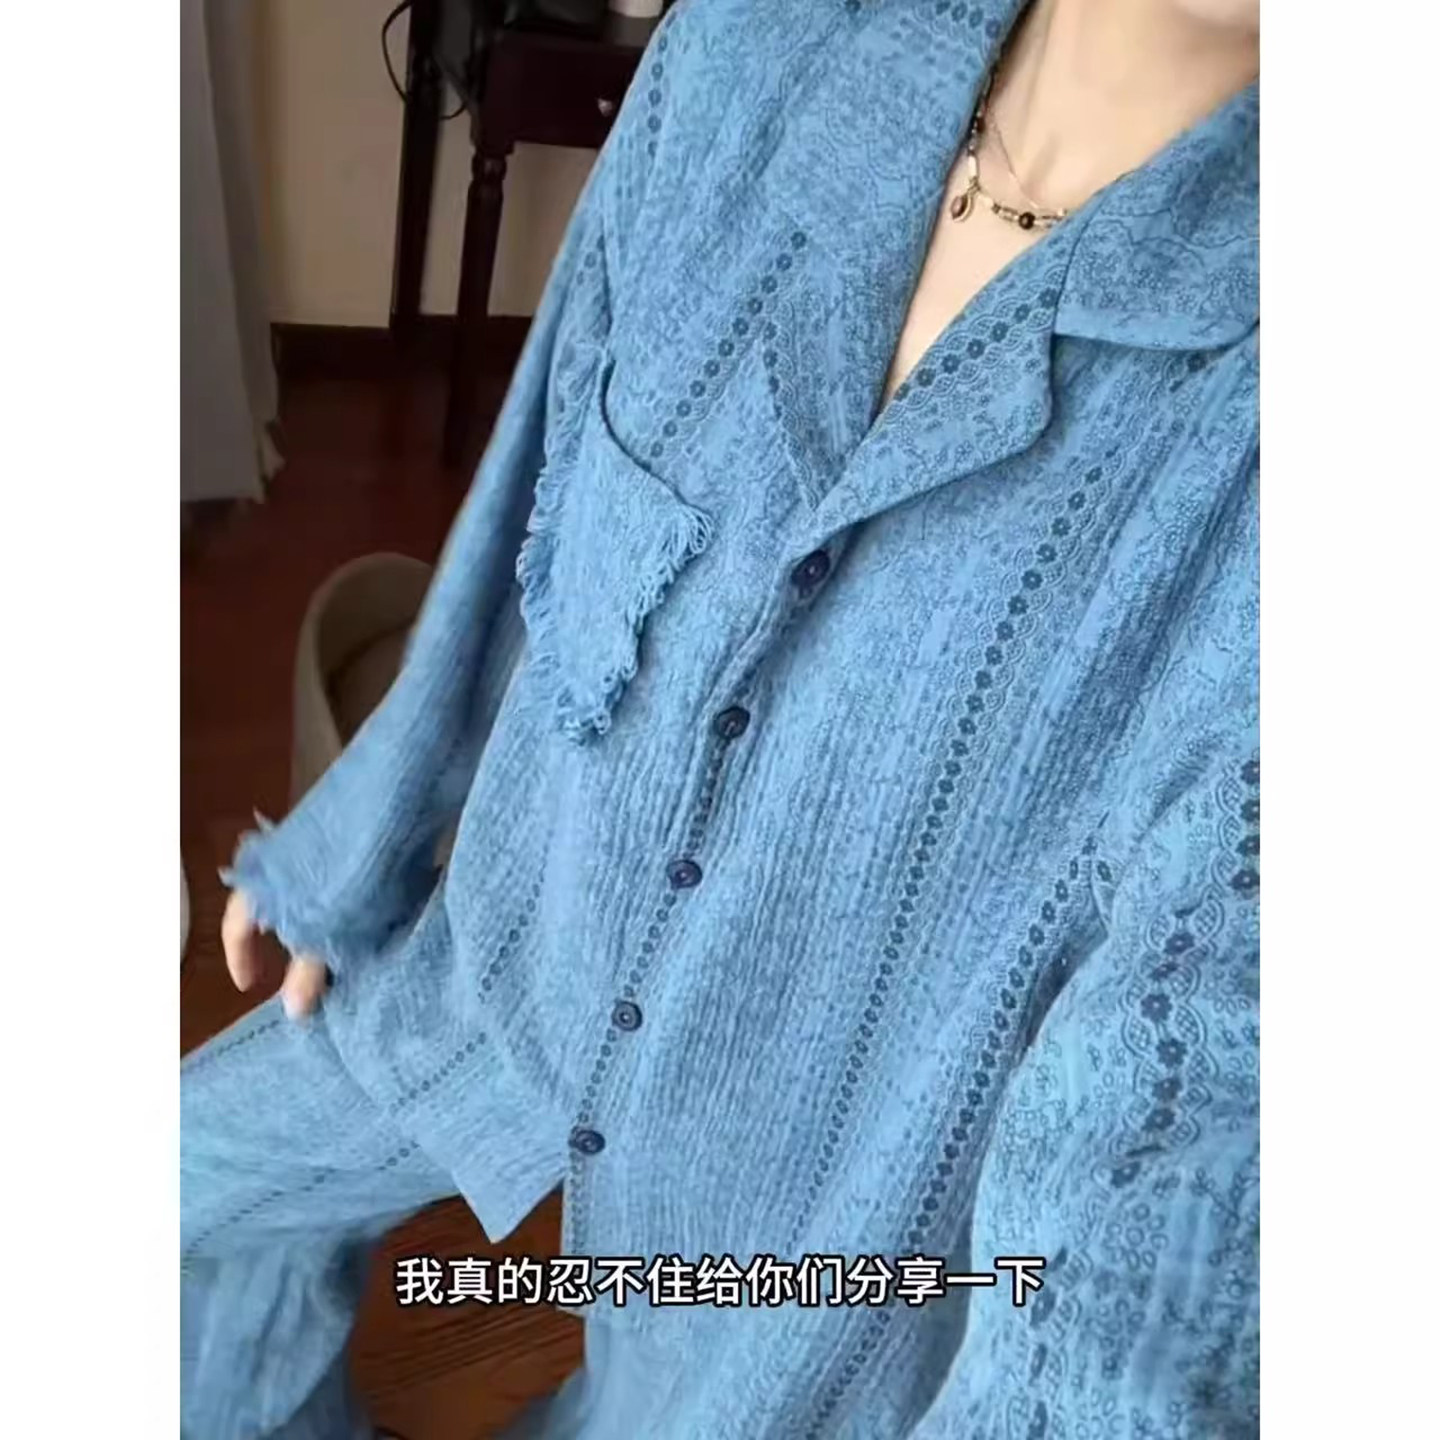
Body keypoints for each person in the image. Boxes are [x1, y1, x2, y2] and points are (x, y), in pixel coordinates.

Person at [181, 0, 1260, 1434]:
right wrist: (365, 839)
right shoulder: (750, 50)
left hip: (804, 1222)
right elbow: (549, 483)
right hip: (519, 958)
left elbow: (1166, 1211)